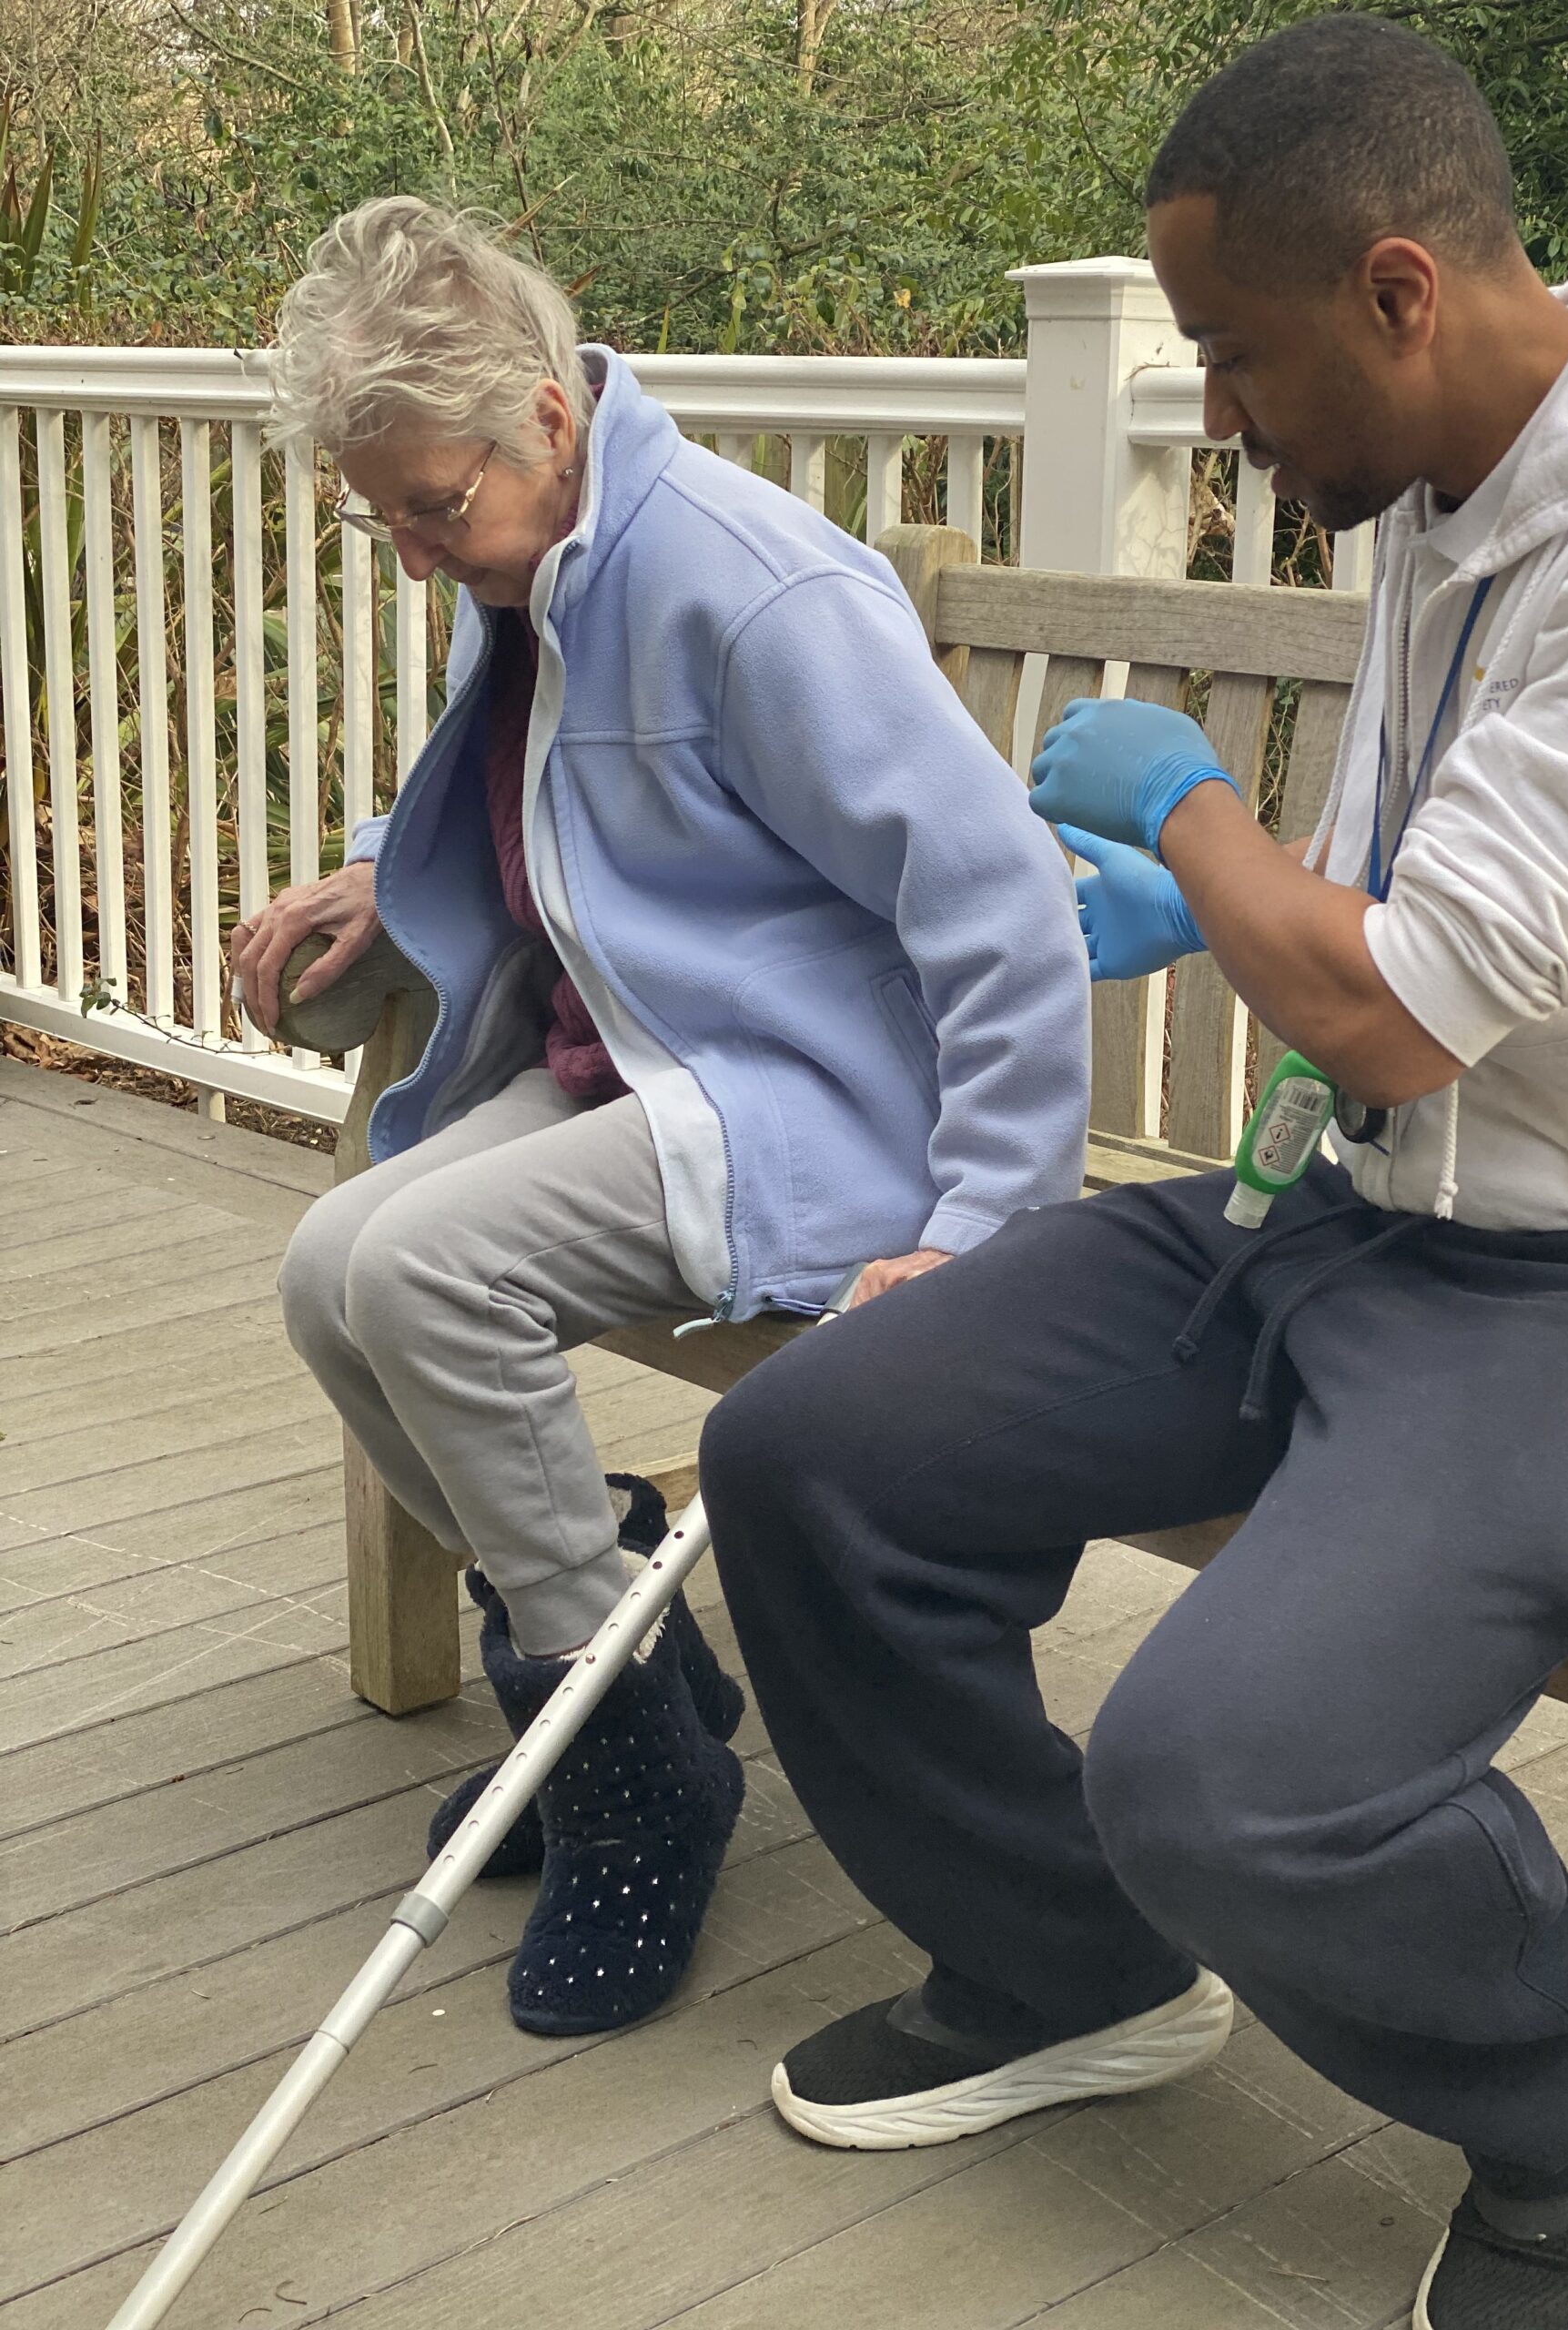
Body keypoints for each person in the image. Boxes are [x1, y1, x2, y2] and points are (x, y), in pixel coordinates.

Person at [697, 18, 1568, 2329]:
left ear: (1398, 286)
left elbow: (1389, 999)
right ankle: (1065, 1964)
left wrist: (1187, 810)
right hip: (1348, 1202)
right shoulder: (1454, 462)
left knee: (1231, 1769)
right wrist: (1257, 892)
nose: (1221, 419)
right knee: (815, 1449)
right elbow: (1440, 913)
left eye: (1235, 360)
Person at [236, 198, 1089, 2042]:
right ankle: (625, 1663)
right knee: (332, 1268)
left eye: (428, 508)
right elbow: (548, 794)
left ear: (548, 416)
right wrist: (389, 871)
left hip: (822, 1113)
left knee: (433, 1273)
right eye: (378, 513)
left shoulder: (747, 588)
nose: (407, 551)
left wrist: (985, 1224)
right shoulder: (537, 557)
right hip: (635, 1064)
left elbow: (1002, 901)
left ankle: (625, 1748)